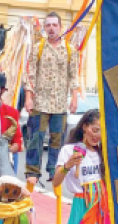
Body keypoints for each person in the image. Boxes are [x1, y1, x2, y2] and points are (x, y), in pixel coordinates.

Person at [25, 11, 80, 185]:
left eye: (54, 25)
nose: (51, 28)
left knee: (58, 139)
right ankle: (32, 171)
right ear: (44, 27)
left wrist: (74, 98)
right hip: (40, 102)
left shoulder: (70, 50)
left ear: (60, 27)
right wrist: (28, 97)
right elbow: (30, 75)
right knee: (36, 138)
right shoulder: (37, 48)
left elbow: (74, 76)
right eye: (48, 25)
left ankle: (53, 170)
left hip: (59, 104)